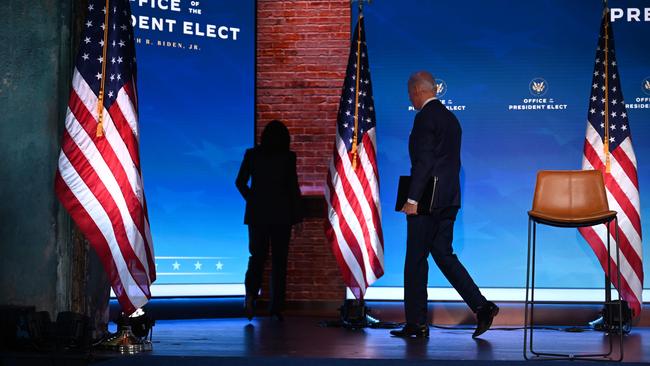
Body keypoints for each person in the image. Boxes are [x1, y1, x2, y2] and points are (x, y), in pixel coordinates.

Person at [390, 71, 498, 338]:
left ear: (416, 90)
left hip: (426, 201)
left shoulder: (425, 118)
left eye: (409, 93)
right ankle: (482, 306)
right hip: (449, 200)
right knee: (444, 255)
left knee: (415, 260)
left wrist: (412, 199)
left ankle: (417, 323)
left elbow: (424, 163)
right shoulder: (451, 119)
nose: (410, 99)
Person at [235, 120, 302, 321]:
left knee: (257, 258)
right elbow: (293, 188)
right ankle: (276, 308)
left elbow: (239, 182)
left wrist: (253, 200)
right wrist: (298, 218)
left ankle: (250, 297)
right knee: (279, 262)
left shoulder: (252, 154)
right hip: (282, 215)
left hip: (258, 215)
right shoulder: (288, 157)